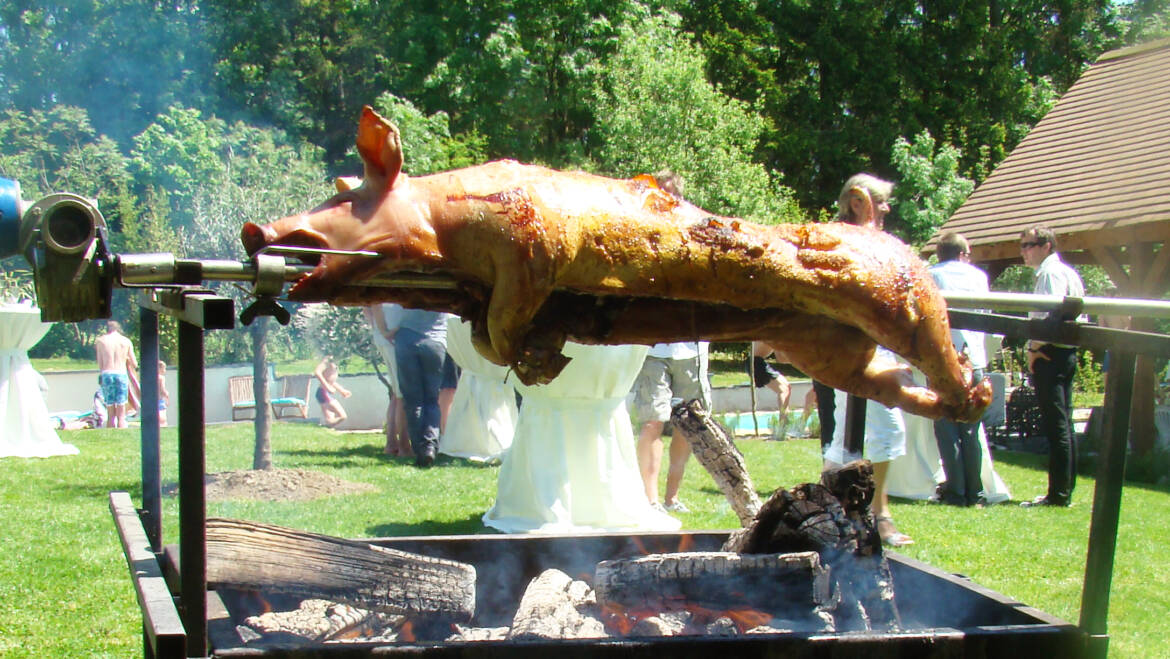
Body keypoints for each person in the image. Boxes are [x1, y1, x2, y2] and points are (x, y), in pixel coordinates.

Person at [821, 173, 913, 547]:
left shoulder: (877, 241)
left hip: (875, 341)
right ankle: (875, 515)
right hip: (853, 345)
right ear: (858, 201)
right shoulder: (843, 240)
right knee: (879, 429)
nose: (888, 208)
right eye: (882, 200)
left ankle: (827, 512)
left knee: (857, 433)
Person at [1019, 225, 1085, 508]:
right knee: (1065, 424)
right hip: (1065, 354)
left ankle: (1058, 494)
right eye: (1022, 246)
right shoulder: (1067, 271)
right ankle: (1063, 490)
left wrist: (1034, 348)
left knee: (1056, 424)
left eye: (1029, 245)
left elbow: (1049, 315)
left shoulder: (1049, 273)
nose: (1024, 252)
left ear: (1047, 246)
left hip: (1050, 354)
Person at [928, 232, 989, 507]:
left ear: (939, 253)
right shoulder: (979, 277)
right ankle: (974, 492)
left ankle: (955, 490)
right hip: (974, 356)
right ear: (964, 252)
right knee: (971, 429)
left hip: (945, 358)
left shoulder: (931, 275)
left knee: (946, 427)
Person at [634, 340, 712, 513]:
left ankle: (671, 499)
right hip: (651, 350)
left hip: (693, 351)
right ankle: (651, 501)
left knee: (687, 423)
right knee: (651, 422)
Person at [394, 308, 452, 467]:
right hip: (435, 340)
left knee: (413, 401)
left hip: (407, 337)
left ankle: (420, 449)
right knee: (432, 400)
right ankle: (430, 446)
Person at [365, 303, 411, 456]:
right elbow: (374, 304)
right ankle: (404, 448)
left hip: (386, 336)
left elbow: (369, 307)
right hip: (392, 338)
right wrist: (384, 331)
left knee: (397, 394)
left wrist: (378, 329)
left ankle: (392, 443)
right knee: (402, 395)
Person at [94, 320, 138, 428]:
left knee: (110, 411)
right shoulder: (126, 341)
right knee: (121, 411)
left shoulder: (100, 341)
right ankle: (121, 427)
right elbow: (134, 363)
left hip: (107, 373)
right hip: (121, 373)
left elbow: (100, 363)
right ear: (118, 329)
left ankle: (111, 429)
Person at [748, 341, 792, 439]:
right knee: (784, 389)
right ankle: (782, 427)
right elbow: (781, 358)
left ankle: (783, 425)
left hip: (755, 362)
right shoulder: (775, 333)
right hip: (756, 363)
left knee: (786, 387)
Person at [313, 355, 351, 427]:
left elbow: (331, 381)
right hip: (323, 392)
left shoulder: (332, 363)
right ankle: (323, 427)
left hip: (324, 393)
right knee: (342, 416)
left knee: (330, 420)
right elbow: (317, 372)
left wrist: (342, 391)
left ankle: (324, 429)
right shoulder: (326, 361)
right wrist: (327, 387)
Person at [157, 361, 171, 427]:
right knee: (162, 419)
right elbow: (162, 389)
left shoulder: (151, 377)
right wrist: (167, 394)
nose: (165, 370)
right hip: (160, 400)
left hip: (152, 400)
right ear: (160, 368)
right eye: (164, 368)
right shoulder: (161, 378)